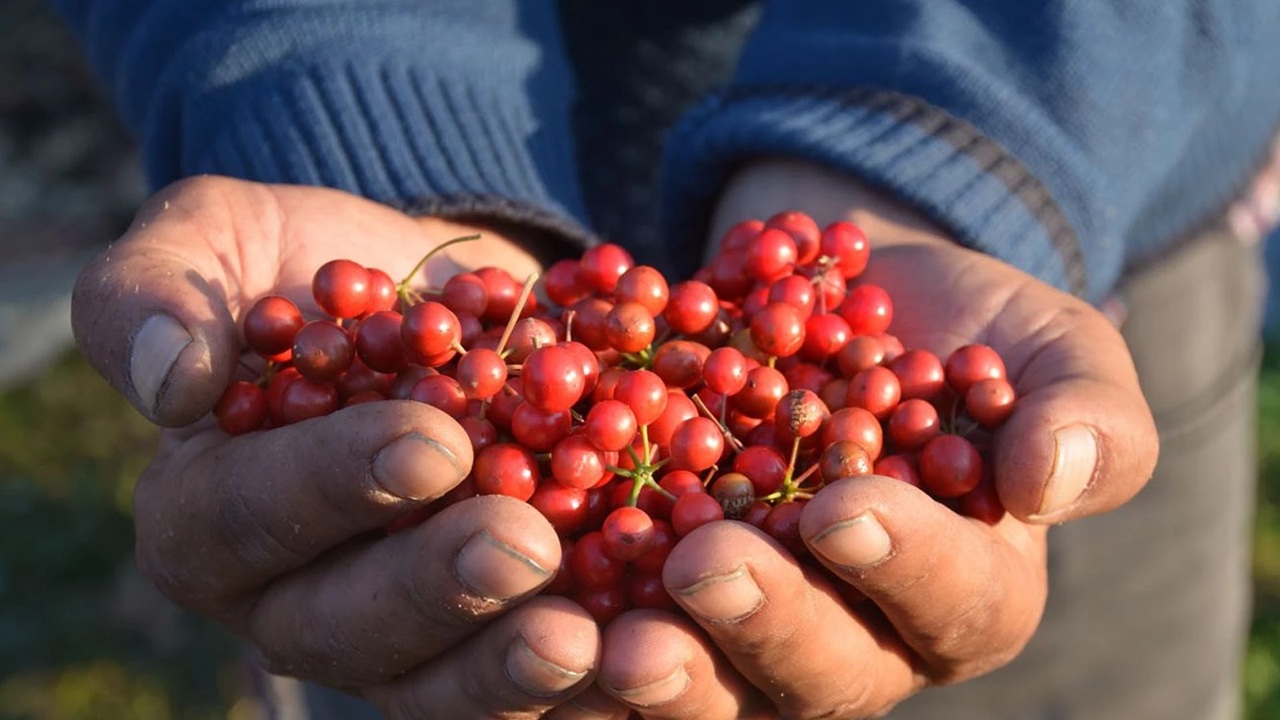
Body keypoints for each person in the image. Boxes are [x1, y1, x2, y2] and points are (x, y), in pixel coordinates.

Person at [50, 0, 1280, 717]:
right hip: (441, 160)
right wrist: (350, 116)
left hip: (1084, 175)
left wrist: (950, 137)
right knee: (438, 605)